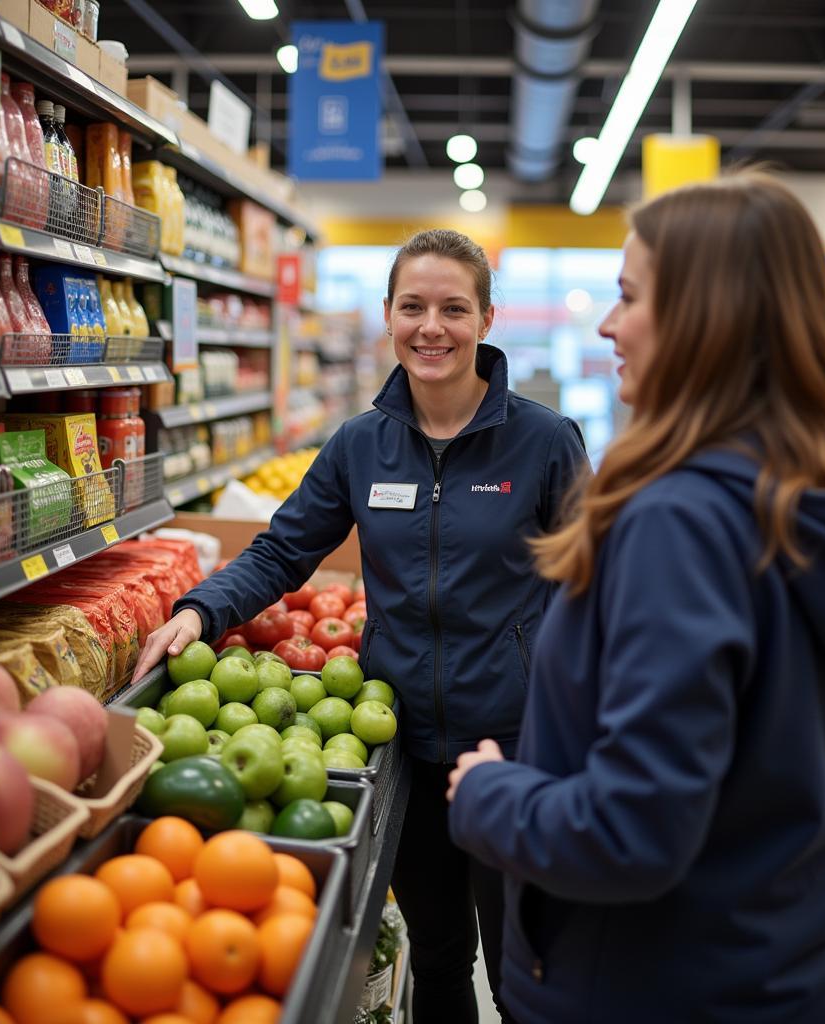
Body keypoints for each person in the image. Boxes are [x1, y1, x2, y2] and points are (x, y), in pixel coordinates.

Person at [445, 173, 825, 1022]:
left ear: (706, 321)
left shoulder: (677, 522)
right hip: (800, 964)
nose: (608, 324)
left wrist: (494, 797)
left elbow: (631, 831)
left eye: (630, 296)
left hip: (654, 985)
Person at [132, 229, 588, 1022]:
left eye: (453, 307)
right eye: (413, 307)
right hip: (401, 749)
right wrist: (202, 609)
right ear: (387, 316)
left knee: (527, 974)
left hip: (517, 750)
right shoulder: (360, 445)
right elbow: (282, 550)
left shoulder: (545, 442)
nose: (431, 327)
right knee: (441, 961)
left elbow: (594, 588)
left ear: (486, 317)